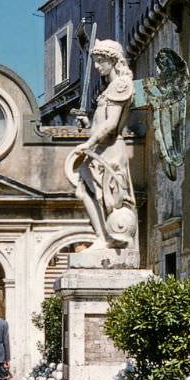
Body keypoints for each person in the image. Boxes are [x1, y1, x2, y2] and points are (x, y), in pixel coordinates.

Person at [74, 39, 137, 251]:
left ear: (113, 60)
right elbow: (101, 121)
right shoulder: (108, 88)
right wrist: (88, 125)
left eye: (100, 61)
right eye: (95, 60)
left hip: (109, 151)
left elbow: (111, 124)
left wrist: (89, 142)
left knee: (108, 198)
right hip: (98, 151)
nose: (96, 66)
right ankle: (101, 236)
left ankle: (110, 237)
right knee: (83, 193)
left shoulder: (121, 85)